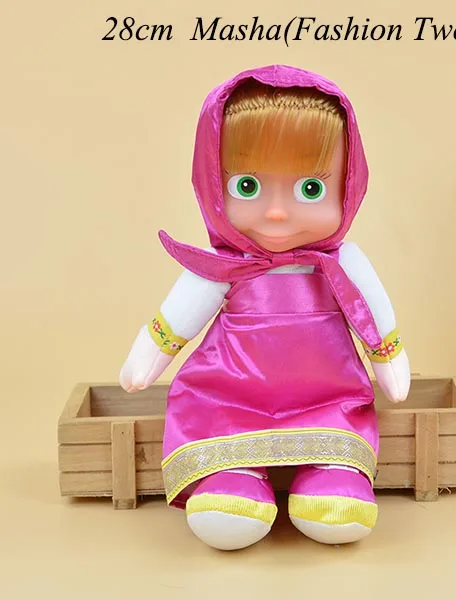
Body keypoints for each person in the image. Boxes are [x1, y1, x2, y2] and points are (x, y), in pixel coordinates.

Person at [119, 64, 411, 551]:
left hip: (327, 397)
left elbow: (374, 314)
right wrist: (147, 357)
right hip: (229, 396)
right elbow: (177, 319)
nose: (276, 213)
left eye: (310, 189)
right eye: (247, 187)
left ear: (349, 184)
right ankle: (231, 476)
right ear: (213, 183)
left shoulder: (342, 263)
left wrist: (390, 360)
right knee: (226, 462)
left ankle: (332, 472)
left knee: (336, 454)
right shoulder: (221, 266)